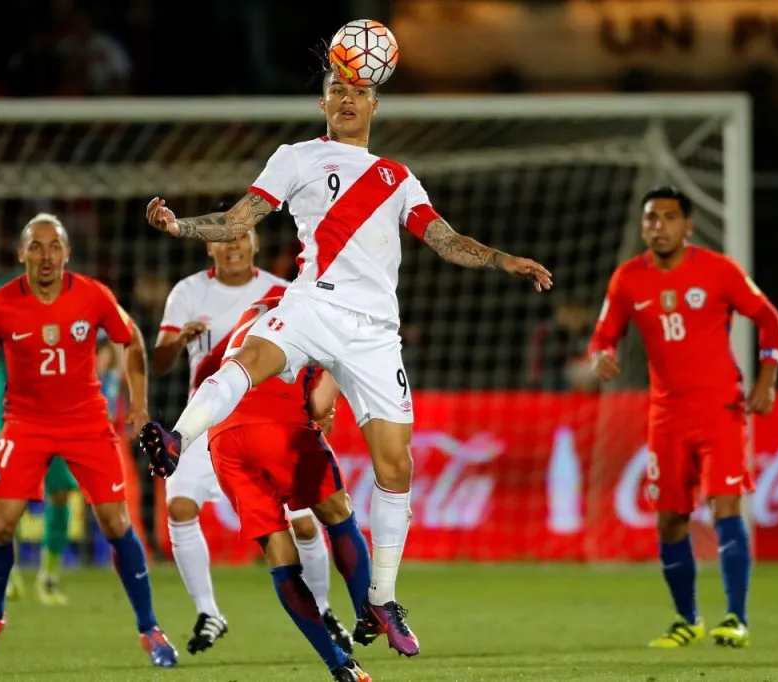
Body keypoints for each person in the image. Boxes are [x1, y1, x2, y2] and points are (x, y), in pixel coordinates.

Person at [138, 68, 553, 657]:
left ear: (375, 104)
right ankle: (177, 439)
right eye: (338, 90)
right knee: (253, 354)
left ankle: (381, 597)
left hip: (376, 332)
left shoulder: (398, 178)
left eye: (359, 92)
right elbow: (237, 221)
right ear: (323, 102)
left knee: (396, 467)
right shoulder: (297, 157)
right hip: (313, 303)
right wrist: (180, 225)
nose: (348, 99)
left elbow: (443, 238)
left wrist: (502, 259)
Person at [0, 213, 177, 667]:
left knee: (116, 524)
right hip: (25, 424)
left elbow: (131, 341)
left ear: (67, 253)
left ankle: (150, 628)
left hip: (87, 423)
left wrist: (140, 405)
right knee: (0, 525)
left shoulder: (92, 295)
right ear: (21, 254)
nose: (46, 255)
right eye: (36, 246)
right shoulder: (1, 303)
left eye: (54, 246)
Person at [589, 187, 778, 649]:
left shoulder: (719, 271)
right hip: (666, 418)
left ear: (688, 226)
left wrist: (767, 379)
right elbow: (603, 334)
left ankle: (736, 618)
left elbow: (770, 319)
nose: (659, 226)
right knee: (671, 521)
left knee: (725, 507)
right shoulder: (627, 279)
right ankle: (687, 619)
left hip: (721, 410)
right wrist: (601, 355)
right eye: (651, 219)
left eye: (669, 218)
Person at [153, 199, 352, 654]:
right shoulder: (187, 293)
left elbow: (317, 352)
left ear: (255, 241)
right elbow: (161, 359)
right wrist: (178, 339)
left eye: (241, 235)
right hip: (204, 424)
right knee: (180, 508)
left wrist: (323, 396)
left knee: (303, 525)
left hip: (272, 423)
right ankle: (209, 612)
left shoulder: (286, 290)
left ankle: (321, 608)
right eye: (224, 237)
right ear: (210, 247)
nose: (234, 245)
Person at [174, 294, 374, 681]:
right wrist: (330, 400)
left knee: (279, 553)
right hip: (278, 428)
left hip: (224, 437)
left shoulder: (257, 309)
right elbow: (318, 406)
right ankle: (372, 614)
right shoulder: (323, 310)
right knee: (336, 512)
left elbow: (211, 375)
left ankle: (340, 665)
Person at [0, 270, 79, 606]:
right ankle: (7, 574)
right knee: (9, 495)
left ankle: (48, 578)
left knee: (61, 493)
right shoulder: (1, 292)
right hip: (10, 413)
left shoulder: (73, 296)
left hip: (59, 412)